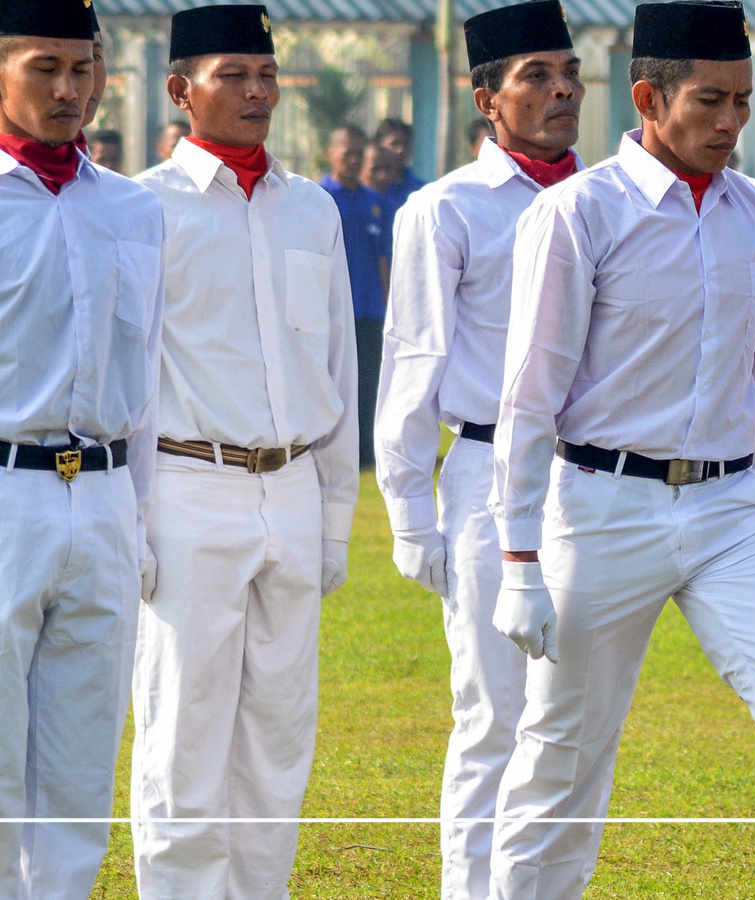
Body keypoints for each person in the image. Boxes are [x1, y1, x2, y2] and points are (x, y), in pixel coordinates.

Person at [488, 3, 755, 896]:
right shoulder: (579, 215)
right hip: (603, 507)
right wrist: (518, 559)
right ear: (649, 97)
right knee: (561, 755)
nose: (732, 122)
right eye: (711, 100)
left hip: (732, 512)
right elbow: (530, 397)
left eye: (744, 100)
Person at [129, 7, 358, 896]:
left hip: (292, 487)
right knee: (183, 734)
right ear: (183, 89)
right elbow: (130, 376)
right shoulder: (144, 207)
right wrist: (136, 523)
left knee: (277, 730)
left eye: (266, 73)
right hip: (189, 485)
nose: (257, 90)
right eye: (234, 74)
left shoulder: (312, 208)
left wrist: (334, 519)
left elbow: (334, 362)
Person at [375, 3, 585, 895]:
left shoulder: (606, 195)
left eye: (569, 72)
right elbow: (414, 358)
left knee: (570, 719)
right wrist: (410, 514)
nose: (562, 89)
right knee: (495, 714)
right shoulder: (445, 208)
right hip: (491, 479)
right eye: (535, 74)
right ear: (487, 97)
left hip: (594, 477)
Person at [0, 2, 163, 893]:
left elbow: (148, 374)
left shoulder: (133, 209)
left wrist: (136, 519)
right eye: (44, 67)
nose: (70, 90)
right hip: (5, 492)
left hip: (100, 495)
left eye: (85, 68)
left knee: (79, 762)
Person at [320, 123, 390, 469]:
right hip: (328, 311)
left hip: (368, 310)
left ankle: (365, 451)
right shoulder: (318, 198)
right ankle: (328, 450)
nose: (352, 159)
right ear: (330, 153)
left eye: (358, 153)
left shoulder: (374, 202)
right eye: (346, 152)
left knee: (367, 385)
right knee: (331, 383)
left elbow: (383, 259)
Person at [376, 116, 426, 202]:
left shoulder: (419, 188)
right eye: (394, 144)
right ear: (378, 146)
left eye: (405, 144)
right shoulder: (369, 184)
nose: (401, 150)